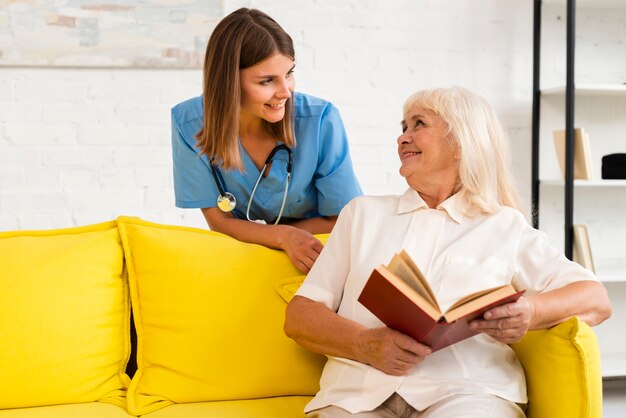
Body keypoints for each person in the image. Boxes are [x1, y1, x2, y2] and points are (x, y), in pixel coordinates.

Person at [284, 86, 612, 417]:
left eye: (418, 124)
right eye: (403, 128)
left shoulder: (503, 226)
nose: (402, 138)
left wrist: (530, 310)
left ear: (460, 143)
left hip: (468, 393)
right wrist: (364, 345)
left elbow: (595, 298)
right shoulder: (361, 215)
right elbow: (300, 316)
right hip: (356, 396)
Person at [171, 8, 362, 273]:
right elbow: (220, 222)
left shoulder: (320, 120)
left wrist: (271, 236)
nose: (285, 92)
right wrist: (283, 237)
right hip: (245, 258)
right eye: (267, 81)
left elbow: (344, 220)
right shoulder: (188, 123)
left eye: (289, 73)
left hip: (320, 255)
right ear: (229, 82)